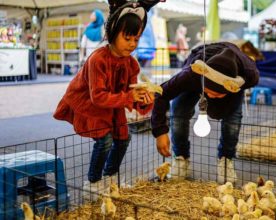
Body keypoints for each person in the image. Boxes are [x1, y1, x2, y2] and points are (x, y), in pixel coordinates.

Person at [53, 0, 160, 199]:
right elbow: (98, 97)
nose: (132, 44)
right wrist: (129, 96)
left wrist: (144, 99)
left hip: (113, 102)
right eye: (127, 38)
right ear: (112, 32)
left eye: (136, 39)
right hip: (89, 102)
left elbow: (132, 93)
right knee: (104, 139)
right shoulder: (98, 59)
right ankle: (92, 182)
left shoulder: (131, 64)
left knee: (124, 137)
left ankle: (110, 178)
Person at [151, 42, 260, 183]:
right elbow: (161, 93)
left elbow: (241, 88)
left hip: (233, 81)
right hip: (199, 72)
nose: (213, 97)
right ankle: (181, 157)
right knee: (179, 110)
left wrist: (221, 94)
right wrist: (160, 131)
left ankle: (226, 159)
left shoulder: (249, 75)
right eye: (210, 92)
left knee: (233, 118)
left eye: (218, 94)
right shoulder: (191, 74)